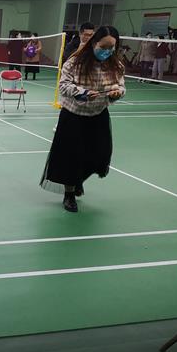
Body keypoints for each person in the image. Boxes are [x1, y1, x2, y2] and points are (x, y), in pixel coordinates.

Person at [40, 25, 125, 213]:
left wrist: (117, 93)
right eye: (103, 47)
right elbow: (63, 86)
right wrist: (82, 92)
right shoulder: (74, 62)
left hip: (98, 115)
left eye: (111, 48)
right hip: (73, 116)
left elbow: (121, 86)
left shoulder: (116, 65)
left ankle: (77, 179)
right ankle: (70, 193)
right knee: (72, 157)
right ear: (94, 43)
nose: (107, 51)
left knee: (100, 155)